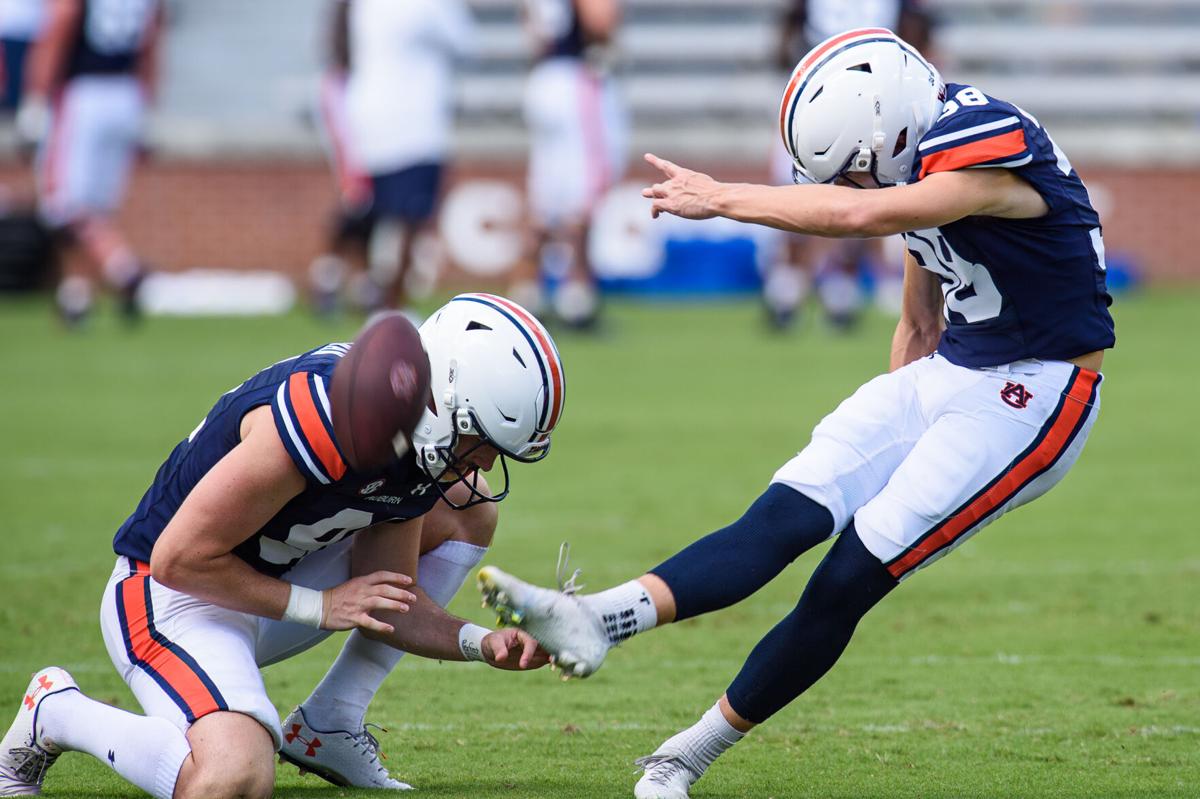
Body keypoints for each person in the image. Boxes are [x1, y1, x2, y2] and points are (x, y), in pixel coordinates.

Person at [477, 28, 1115, 799]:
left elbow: (861, 220)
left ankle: (684, 755)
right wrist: (898, 410)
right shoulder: (912, 154)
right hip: (953, 370)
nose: (849, 184)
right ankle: (598, 618)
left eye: (852, 166)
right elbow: (920, 314)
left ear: (891, 124)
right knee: (783, 518)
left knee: (848, 575)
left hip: (1035, 393)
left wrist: (723, 198)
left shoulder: (983, 143)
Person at [0, 293, 567, 797]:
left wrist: (483, 643)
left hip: (268, 581)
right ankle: (57, 711)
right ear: (445, 400)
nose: (485, 459)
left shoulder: (414, 432)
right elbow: (179, 559)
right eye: (481, 440)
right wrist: (319, 605)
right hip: (168, 595)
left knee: (471, 508)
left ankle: (331, 722)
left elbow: (391, 600)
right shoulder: (327, 415)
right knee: (236, 778)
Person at [764, 0, 934, 330]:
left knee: (803, 189)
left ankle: (793, 289)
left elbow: (788, 32)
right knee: (860, 187)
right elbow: (918, 28)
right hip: (871, 99)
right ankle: (833, 290)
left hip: (815, 96)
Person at [18, 0, 161, 326]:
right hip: (127, 93)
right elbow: (153, 40)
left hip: (83, 94)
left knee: (62, 205)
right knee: (96, 210)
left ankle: (124, 268)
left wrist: (35, 98)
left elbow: (59, 25)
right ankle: (76, 296)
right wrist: (148, 103)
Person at [342, 0, 474, 313]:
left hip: (367, 112)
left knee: (371, 208)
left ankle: (359, 282)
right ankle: (392, 303)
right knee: (411, 217)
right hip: (415, 119)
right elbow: (466, 40)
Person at [510, 0, 627, 330]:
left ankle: (525, 295)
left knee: (545, 199)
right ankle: (577, 299)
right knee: (582, 195)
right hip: (573, 81)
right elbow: (600, 20)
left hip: (542, 77)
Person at [308, 0, 376, 317]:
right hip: (358, 166)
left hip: (362, 160)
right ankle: (329, 282)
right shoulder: (341, 84)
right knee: (355, 212)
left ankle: (354, 285)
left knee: (364, 222)